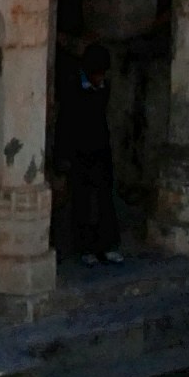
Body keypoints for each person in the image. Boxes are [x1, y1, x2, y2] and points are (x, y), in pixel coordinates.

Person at [60, 38, 121, 263]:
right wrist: (63, 156)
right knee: (82, 200)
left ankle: (107, 245)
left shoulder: (103, 88)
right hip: (79, 150)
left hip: (100, 148)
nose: (100, 78)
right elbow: (65, 122)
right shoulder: (73, 86)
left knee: (105, 197)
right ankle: (85, 248)